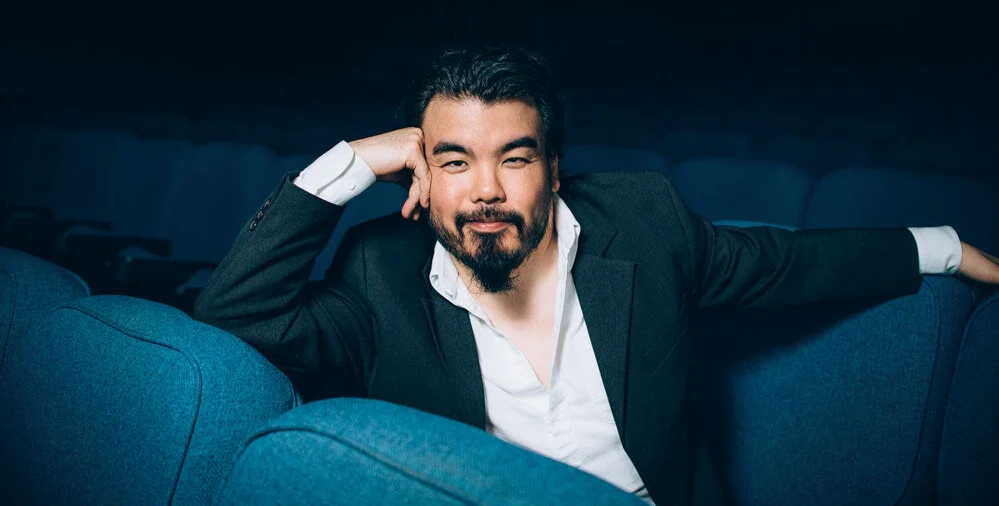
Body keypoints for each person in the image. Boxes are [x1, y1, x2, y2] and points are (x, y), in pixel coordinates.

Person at [193, 47, 999, 506]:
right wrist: (350, 162)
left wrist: (946, 246)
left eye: (514, 158)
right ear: (422, 175)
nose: (485, 190)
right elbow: (235, 312)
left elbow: (789, 262)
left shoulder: (644, 222)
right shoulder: (380, 271)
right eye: (454, 160)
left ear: (553, 169)